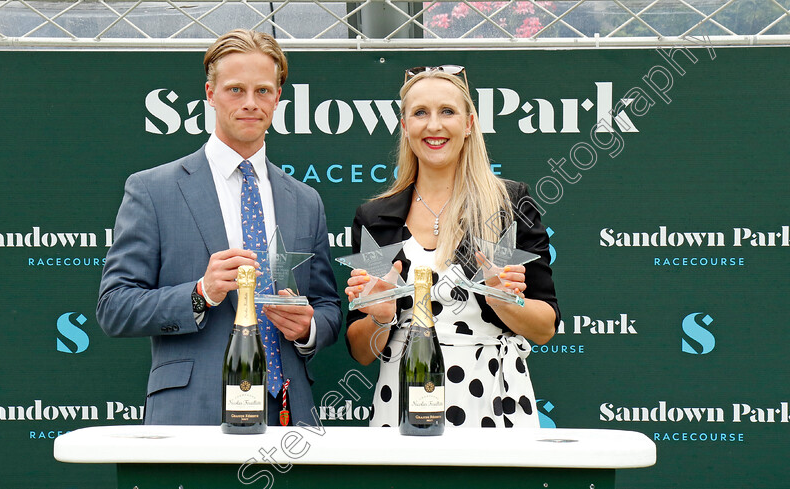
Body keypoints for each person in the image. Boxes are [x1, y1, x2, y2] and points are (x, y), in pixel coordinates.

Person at [97, 29, 341, 426]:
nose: (250, 103)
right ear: (210, 93)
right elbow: (114, 308)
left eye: (263, 90)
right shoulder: (153, 189)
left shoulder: (305, 200)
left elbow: (328, 306)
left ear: (278, 97)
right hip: (191, 415)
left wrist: (309, 327)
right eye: (235, 90)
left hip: (289, 416)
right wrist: (200, 293)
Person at [344, 66, 559, 428]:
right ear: (404, 125)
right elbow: (361, 352)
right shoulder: (374, 217)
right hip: (400, 402)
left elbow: (544, 328)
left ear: (470, 123)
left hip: (493, 399)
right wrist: (379, 316)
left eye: (447, 111)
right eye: (420, 113)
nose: (434, 126)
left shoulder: (510, 205)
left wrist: (504, 301)